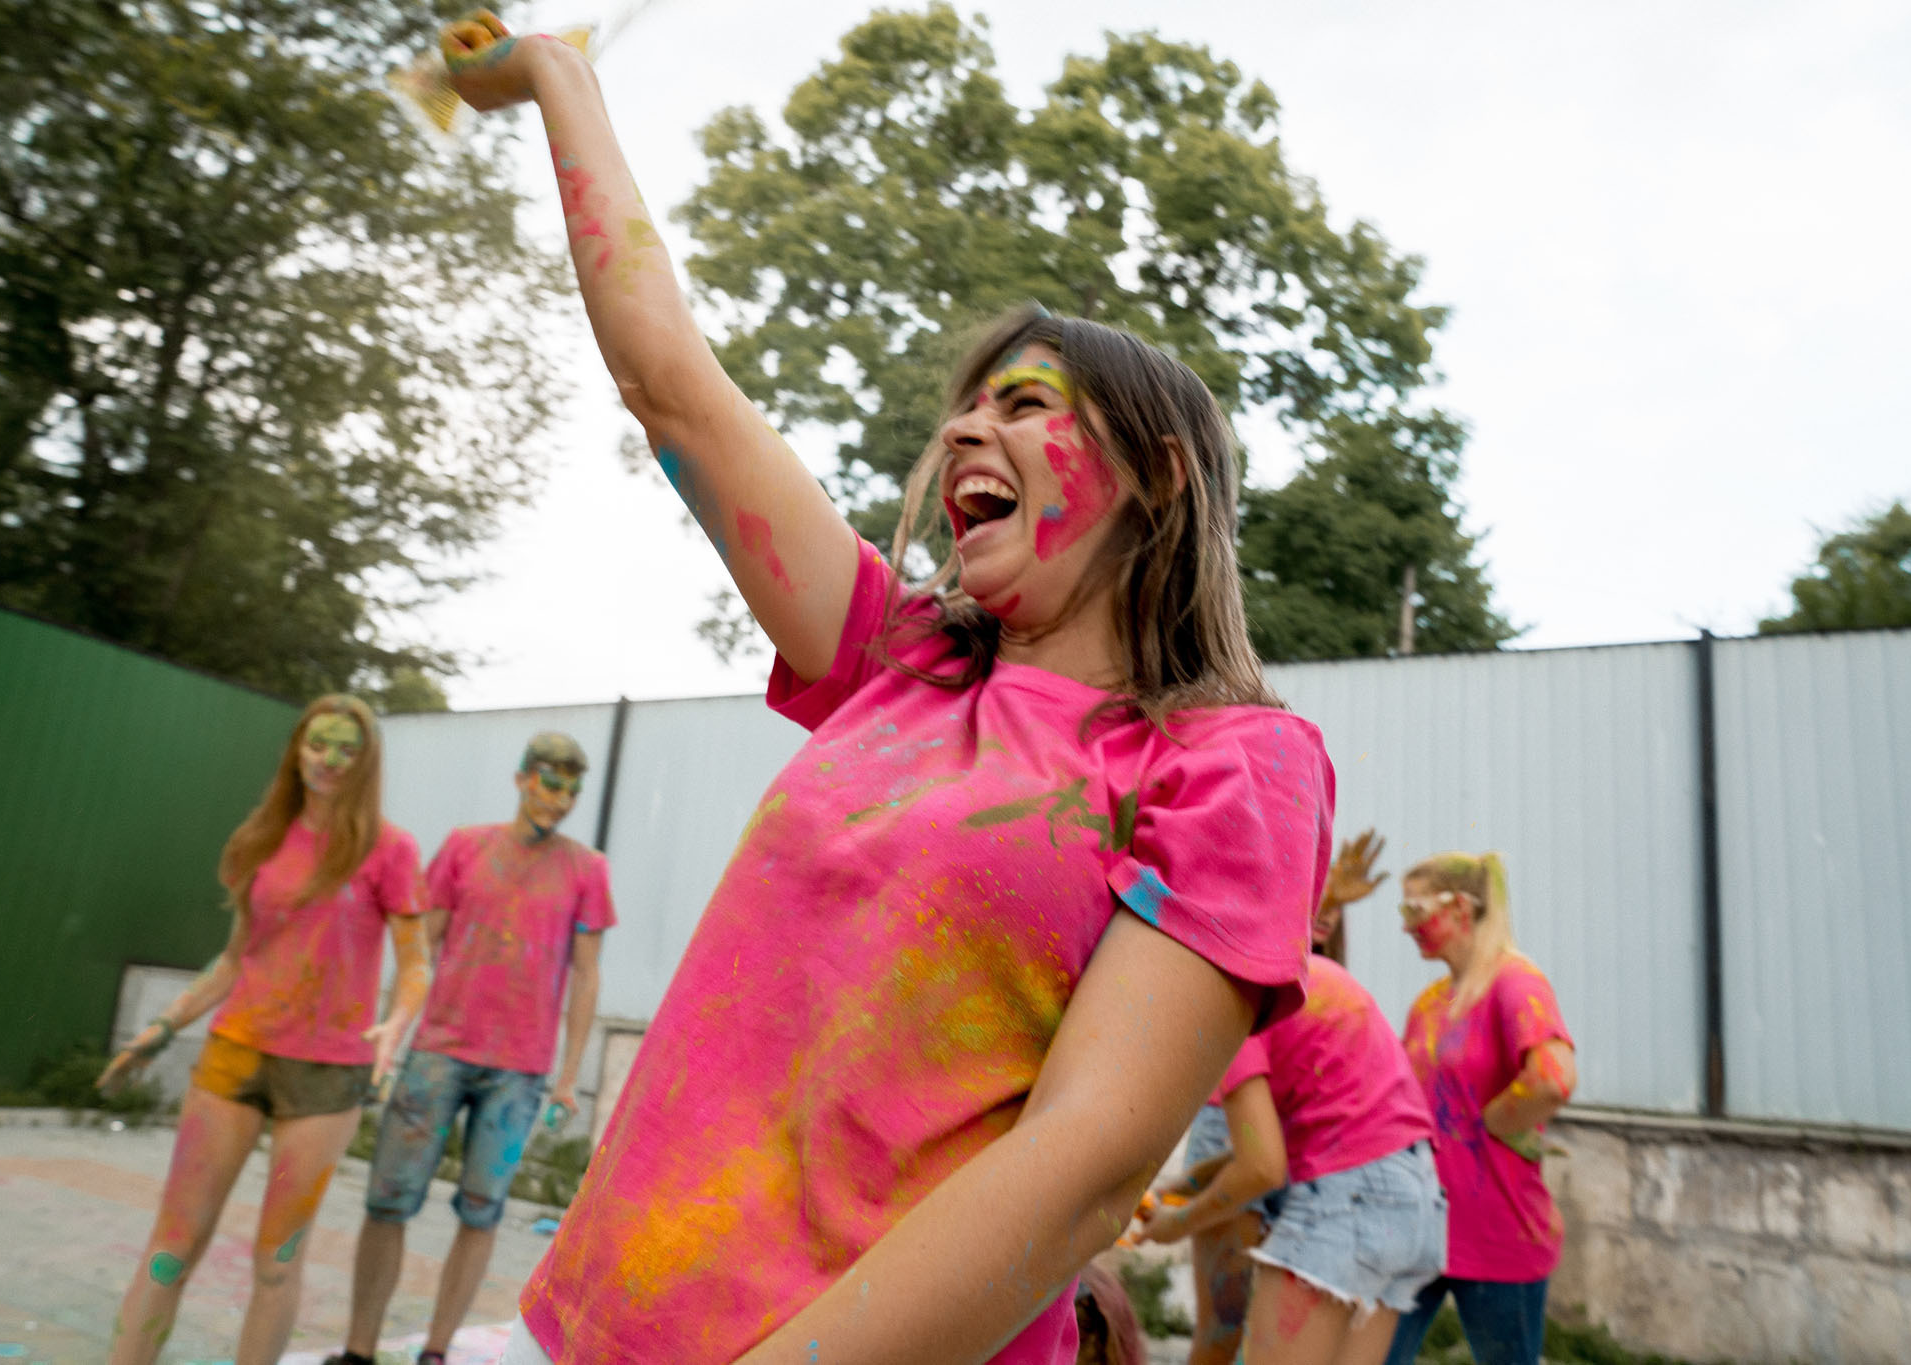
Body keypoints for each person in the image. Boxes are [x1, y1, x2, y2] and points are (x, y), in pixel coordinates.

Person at [433, 14, 1338, 1364]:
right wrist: (558, 75)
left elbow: (1087, 1163)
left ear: (1156, 472)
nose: (969, 426)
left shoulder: (1229, 765)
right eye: (966, 408)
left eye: (1026, 403)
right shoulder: (897, 655)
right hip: (566, 1334)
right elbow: (669, 385)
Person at [96, 695, 429, 1365]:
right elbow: (233, 960)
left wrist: (395, 1019)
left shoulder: (388, 849)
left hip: (326, 1075)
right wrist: (161, 1026)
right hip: (234, 1056)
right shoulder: (264, 837)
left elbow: (416, 961)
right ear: (296, 749)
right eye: (317, 743)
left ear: (366, 762)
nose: (328, 759)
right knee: (171, 1247)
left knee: (276, 1260)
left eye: (346, 747)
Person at [326, 733, 614, 1365]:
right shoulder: (465, 846)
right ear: (520, 778)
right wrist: (387, 1029)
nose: (558, 798)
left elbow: (587, 976)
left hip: (519, 1072)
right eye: (548, 780)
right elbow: (420, 943)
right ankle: (358, 1350)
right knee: (387, 1198)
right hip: (438, 1052)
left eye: (571, 787)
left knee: (482, 1213)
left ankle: (435, 1352)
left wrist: (569, 1076)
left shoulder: (586, 870)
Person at [1134, 831, 1443, 1365]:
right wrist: (1184, 1186)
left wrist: (1176, 1224)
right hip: (1413, 1206)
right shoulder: (1307, 977)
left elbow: (1262, 1169)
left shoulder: (1230, 998)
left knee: (1224, 1337)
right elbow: (1295, 1142)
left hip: (1347, 1203)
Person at [1383, 851, 1577, 1365]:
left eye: (1414, 912)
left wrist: (1496, 1120)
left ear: (1461, 909)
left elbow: (1553, 1079)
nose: (1407, 928)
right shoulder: (1429, 1004)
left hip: (1498, 1236)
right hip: (1419, 1233)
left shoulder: (1515, 983)